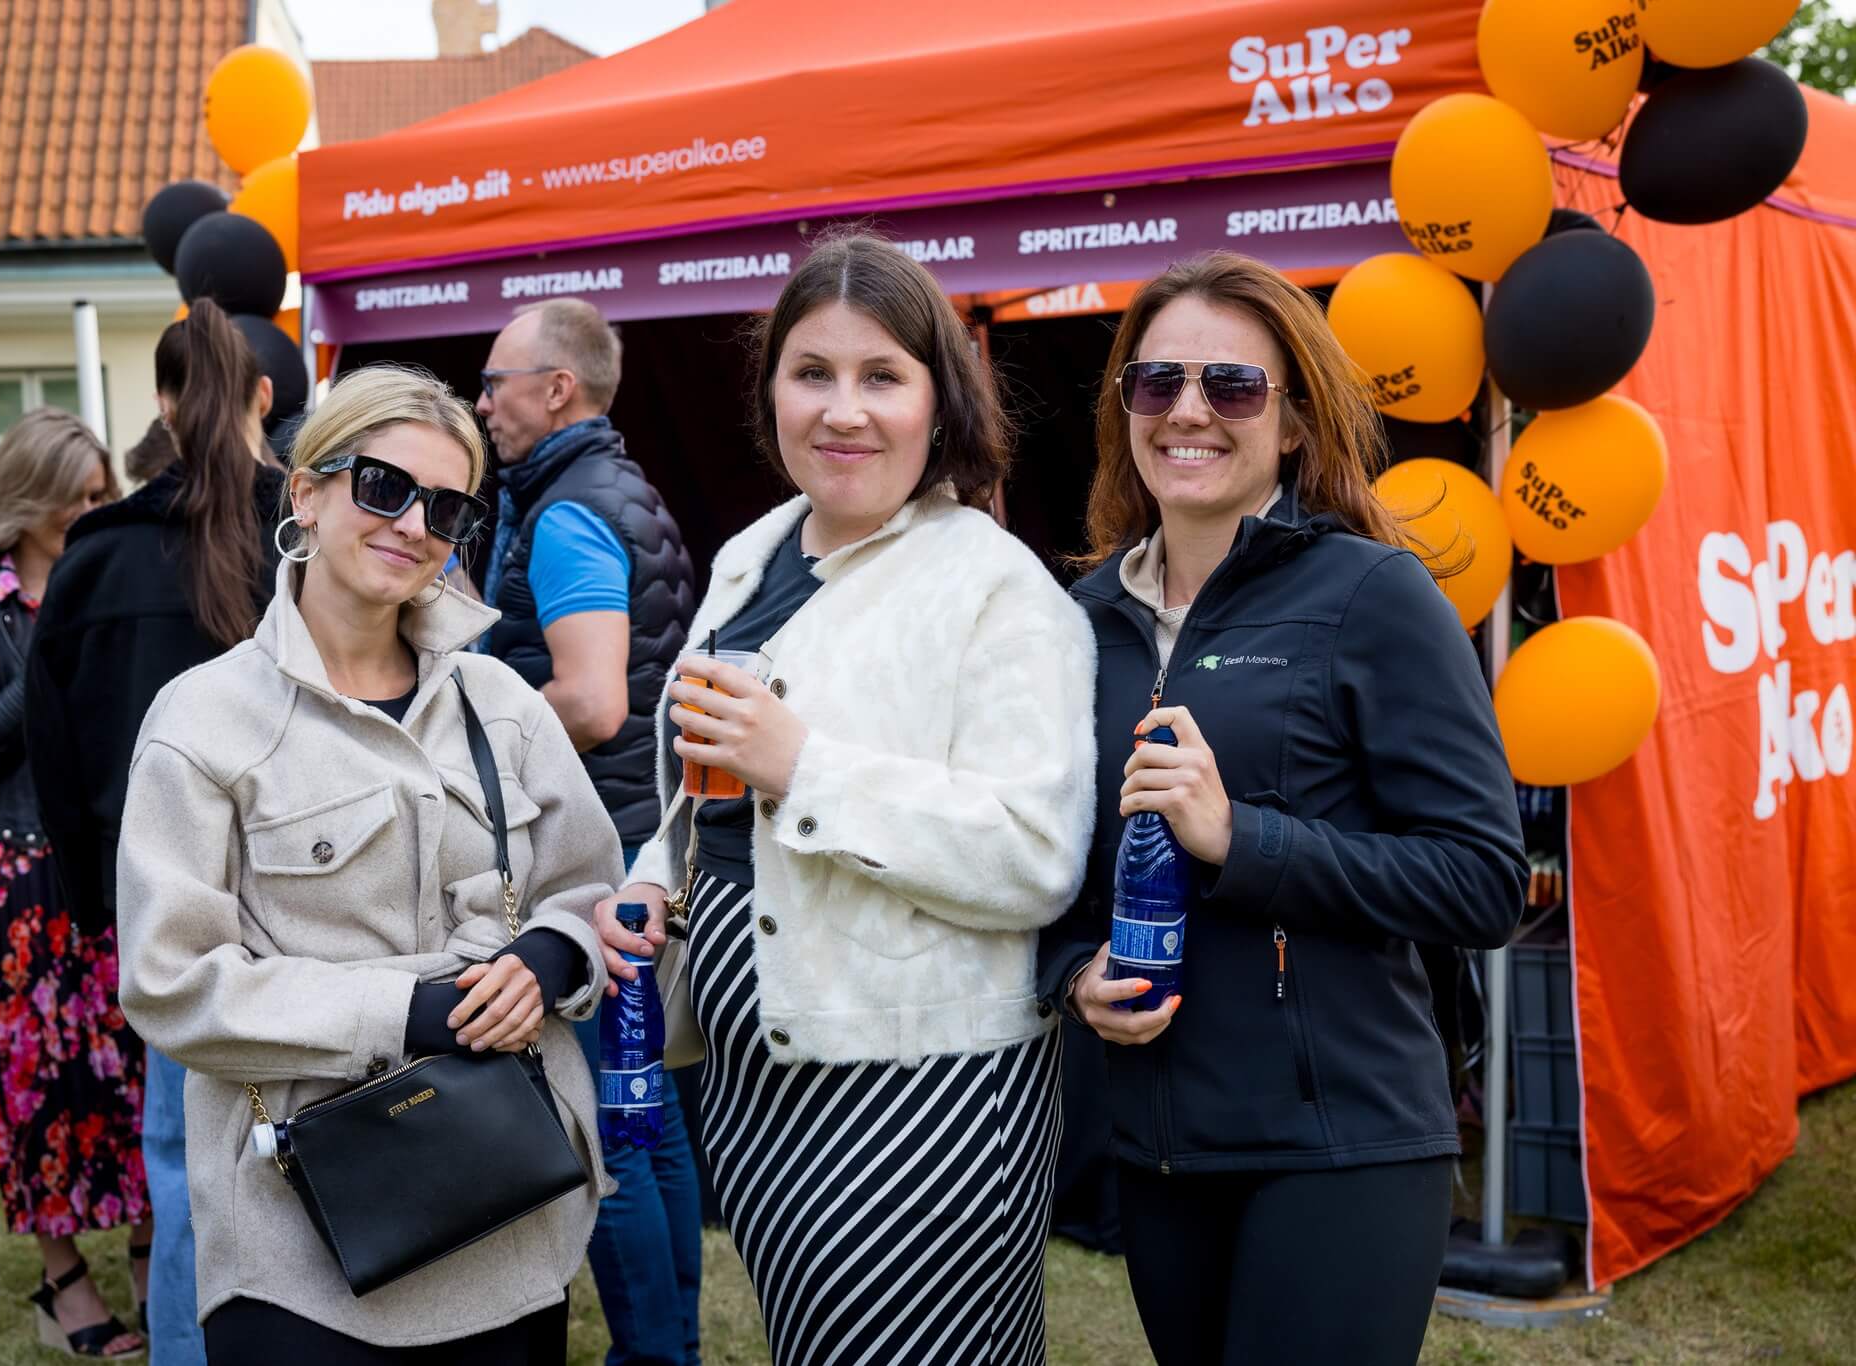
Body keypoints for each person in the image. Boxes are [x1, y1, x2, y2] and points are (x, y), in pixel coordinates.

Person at [594, 232, 1097, 1366]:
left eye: (882, 376)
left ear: (938, 399)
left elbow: (1033, 854)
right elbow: (707, 795)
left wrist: (805, 767)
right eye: (811, 372)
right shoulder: (752, 552)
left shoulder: (994, 587)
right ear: (770, 388)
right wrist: (651, 884)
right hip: (760, 1079)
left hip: (921, 1100)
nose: (843, 410)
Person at [1037, 251, 1527, 1366]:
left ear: (1296, 421)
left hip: (1340, 1143)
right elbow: (1045, 862)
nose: (1188, 411)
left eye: (1232, 385)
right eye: (1156, 382)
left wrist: (1238, 837)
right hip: (1160, 1149)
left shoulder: (1373, 594)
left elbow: (1481, 880)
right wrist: (1070, 973)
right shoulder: (1078, 621)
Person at [115, 363, 621, 1363]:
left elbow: (587, 887)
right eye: (384, 487)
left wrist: (551, 957)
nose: (413, 525)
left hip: (507, 1220)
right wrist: (407, 1012)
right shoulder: (203, 721)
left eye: (447, 507)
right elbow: (173, 983)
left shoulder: (500, 705)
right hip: (295, 1246)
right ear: (305, 492)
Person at [25, 299, 281, 1366]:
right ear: (262, 396)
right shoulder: (305, 533)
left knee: (181, 1154)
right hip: (298, 881)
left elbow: (54, 747)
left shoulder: (97, 555)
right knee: (307, 1134)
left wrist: (94, 902)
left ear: (164, 407)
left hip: (159, 893)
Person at [472, 297, 702, 1366]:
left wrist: (469, 719)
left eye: (495, 383)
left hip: (599, 860)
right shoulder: (621, 487)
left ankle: (652, 1354)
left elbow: (595, 699)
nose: (482, 405)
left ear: (556, 388)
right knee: (648, 1121)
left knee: (608, 1136)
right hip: (638, 842)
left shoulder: (567, 511)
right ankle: (668, 1349)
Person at [0, 408, 147, 1359]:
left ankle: (150, 1250)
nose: (94, 513)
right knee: (33, 1085)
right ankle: (63, 1281)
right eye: (78, 498)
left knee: (135, 1069)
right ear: (30, 498)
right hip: (14, 876)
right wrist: (56, 636)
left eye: (103, 495)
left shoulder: (117, 583)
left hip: (112, 865)